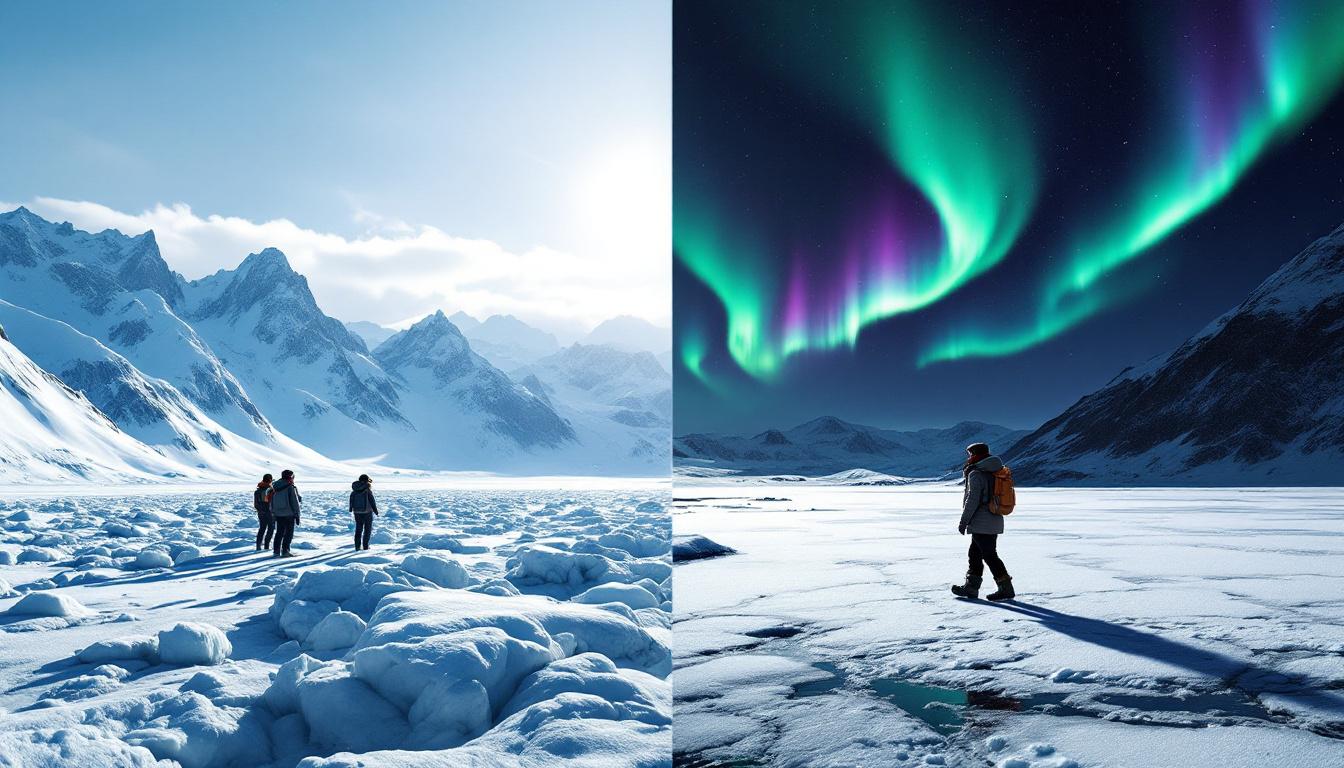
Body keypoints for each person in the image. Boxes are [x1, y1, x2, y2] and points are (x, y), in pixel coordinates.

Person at [951, 442, 1015, 601]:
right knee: (975, 553)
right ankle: (971, 588)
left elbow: (972, 500)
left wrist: (963, 521)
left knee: (989, 555)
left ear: (975, 455)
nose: (969, 457)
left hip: (981, 521)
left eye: (970, 454)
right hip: (994, 519)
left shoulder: (977, 474)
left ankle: (1005, 588)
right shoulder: (995, 471)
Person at [268, 469, 302, 558]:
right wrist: (297, 514)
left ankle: (276, 551)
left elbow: (271, 501)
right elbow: (294, 502)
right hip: (289, 514)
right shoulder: (290, 487)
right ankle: (285, 551)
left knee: (279, 532)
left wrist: (273, 513)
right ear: (290, 477)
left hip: (278, 514)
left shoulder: (274, 486)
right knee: (288, 534)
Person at [349, 474, 379, 550]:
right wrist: (375, 510)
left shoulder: (354, 490)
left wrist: (351, 509)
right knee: (367, 529)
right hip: (367, 512)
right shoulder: (367, 490)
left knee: (358, 529)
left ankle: (357, 547)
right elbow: (372, 501)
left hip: (357, 512)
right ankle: (365, 546)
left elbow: (351, 499)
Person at [254, 473, 275, 551]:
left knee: (262, 528)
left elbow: (255, 504)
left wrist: (260, 510)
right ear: (270, 480)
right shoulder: (271, 490)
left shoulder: (257, 491)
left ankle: (258, 546)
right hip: (270, 513)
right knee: (271, 528)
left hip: (261, 513)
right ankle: (266, 546)